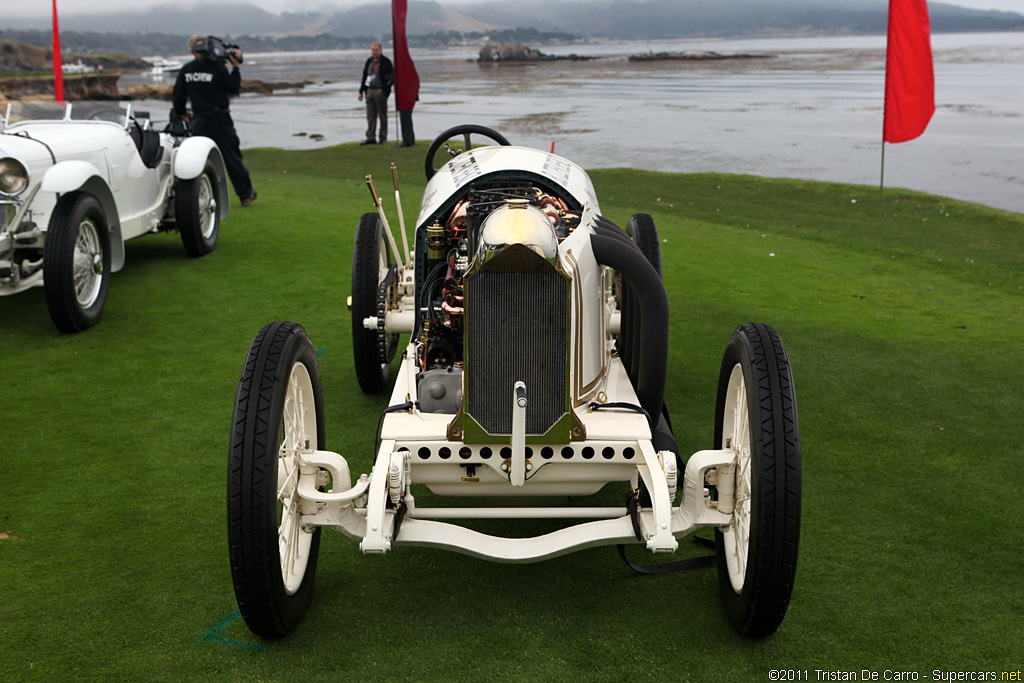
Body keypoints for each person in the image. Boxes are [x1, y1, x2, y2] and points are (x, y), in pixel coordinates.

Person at [173, 34, 257, 207]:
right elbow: (232, 87)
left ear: (192, 51)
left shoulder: (187, 69)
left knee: (198, 160)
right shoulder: (218, 67)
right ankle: (245, 194)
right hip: (220, 119)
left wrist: (183, 114)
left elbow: (178, 98)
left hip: (199, 119)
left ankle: (196, 195)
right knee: (232, 158)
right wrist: (235, 67)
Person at [357, 42, 394, 145]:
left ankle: (383, 137)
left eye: (376, 50)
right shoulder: (369, 61)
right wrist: (361, 91)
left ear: (381, 50)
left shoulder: (386, 62)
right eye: (373, 50)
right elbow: (365, 76)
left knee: (382, 115)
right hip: (369, 90)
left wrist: (384, 89)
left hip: (380, 91)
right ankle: (370, 137)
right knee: (370, 115)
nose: (374, 52)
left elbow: (391, 77)